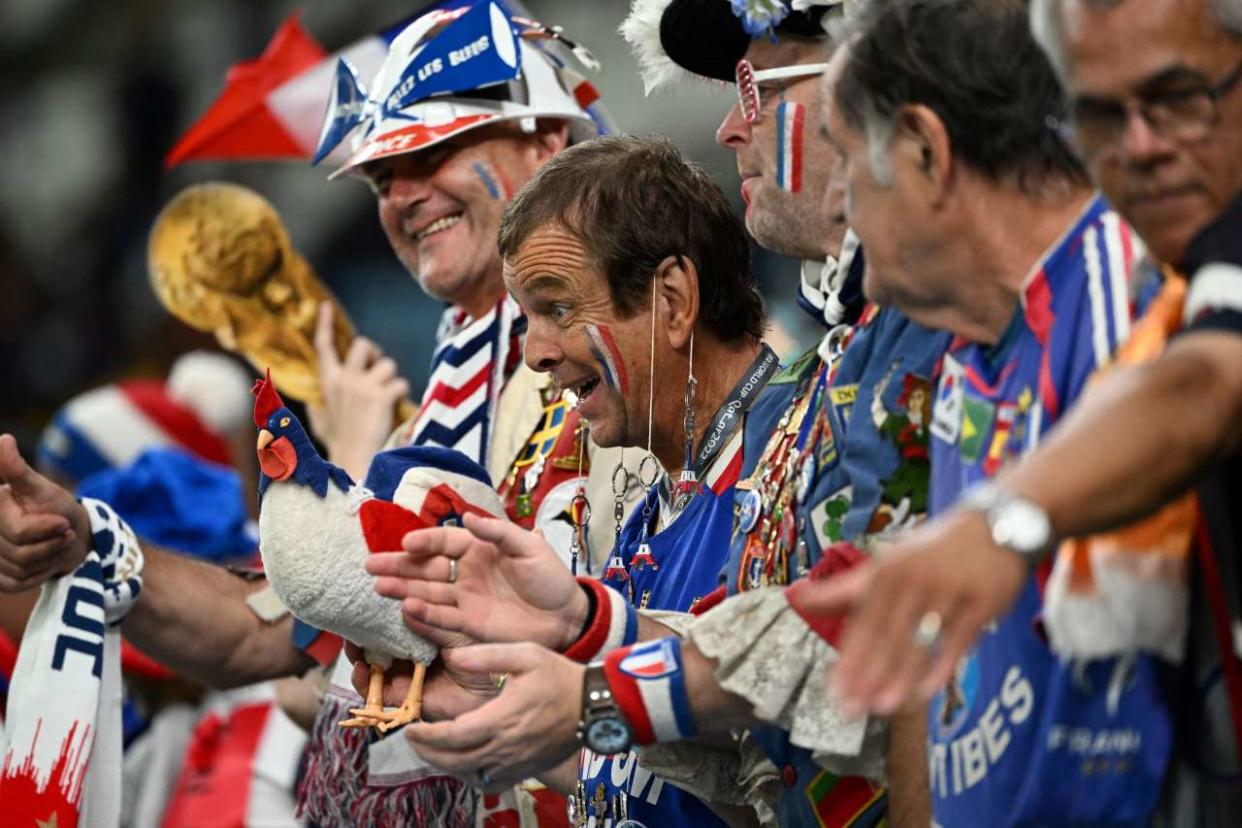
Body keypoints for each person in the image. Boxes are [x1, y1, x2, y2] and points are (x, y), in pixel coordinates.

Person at [0, 4, 637, 826]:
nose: (402, 196)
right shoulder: (433, 419)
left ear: (547, 143)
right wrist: (85, 540)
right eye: (380, 178)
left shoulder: (634, 369)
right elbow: (256, 634)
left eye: (432, 152)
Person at [368, 2, 949, 824]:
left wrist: (592, 683)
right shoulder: (685, 481)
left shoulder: (828, 402)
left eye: (758, 89)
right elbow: (740, 762)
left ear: (674, 299)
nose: (731, 130)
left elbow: (874, 653)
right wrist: (574, 638)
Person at [804, 0, 1242, 822]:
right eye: (1099, 115)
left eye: (1178, 95)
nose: (1138, 146)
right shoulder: (972, 355)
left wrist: (998, 523)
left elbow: (1204, 384)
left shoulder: (1125, 274)